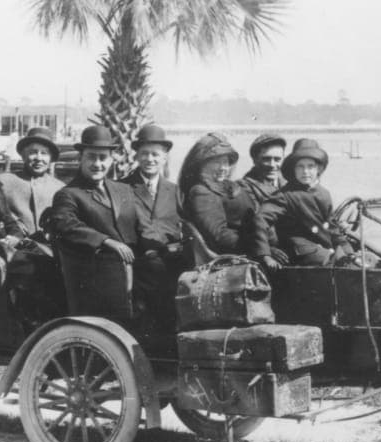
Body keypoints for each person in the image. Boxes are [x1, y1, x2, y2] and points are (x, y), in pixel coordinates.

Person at [44, 125, 143, 317]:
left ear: (111, 160)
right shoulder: (69, 194)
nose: (97, 164)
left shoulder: (123, 190)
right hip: (97, 281)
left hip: (134, 277)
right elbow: (66, 224)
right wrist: (107, 241)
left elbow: (140, 224)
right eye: (91, 157)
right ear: (80, 158)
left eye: (103, 158)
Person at [250, 138, 354, 269]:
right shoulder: (285, 195)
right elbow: (260, 219)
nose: (305, 172)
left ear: (318, 169)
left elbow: (332, 228)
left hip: (322, 249)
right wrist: (265, 254)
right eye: (300, 166)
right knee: (337, 266)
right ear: (293, 169)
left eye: (310, 166)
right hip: (299, 253)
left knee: (357, 262)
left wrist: (348, 250)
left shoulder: (324, 194)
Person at [120, 124, 184, 331]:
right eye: (144, 154)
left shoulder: (175, 191)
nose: (150, 159)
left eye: (155, 154)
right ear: (137, 156)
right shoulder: (122, 188)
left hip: (172, 264)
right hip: (138, 265)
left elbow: (183, 225)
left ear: (164, 158)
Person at [179, 132, 255, 256]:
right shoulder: (201, 192)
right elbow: (220, 236)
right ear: (202, 164)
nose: (223, 168)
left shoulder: (231, 187)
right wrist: (260, 247)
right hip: (234, 255)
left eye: (226, 162)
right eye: (217, 162)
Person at [0, 126, 65, 236]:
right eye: (33, 152)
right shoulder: (3, 182)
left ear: (51, 158)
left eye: (44, 153)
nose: (39, 158)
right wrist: (12, 221)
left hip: (49, 245)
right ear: (23, 155)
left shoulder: (60, 188)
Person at [240, 133, 287, 206]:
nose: (272, 165)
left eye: (277, 159)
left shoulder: (288, 182)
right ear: (255, 160)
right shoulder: (244, 187)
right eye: (266, 159)